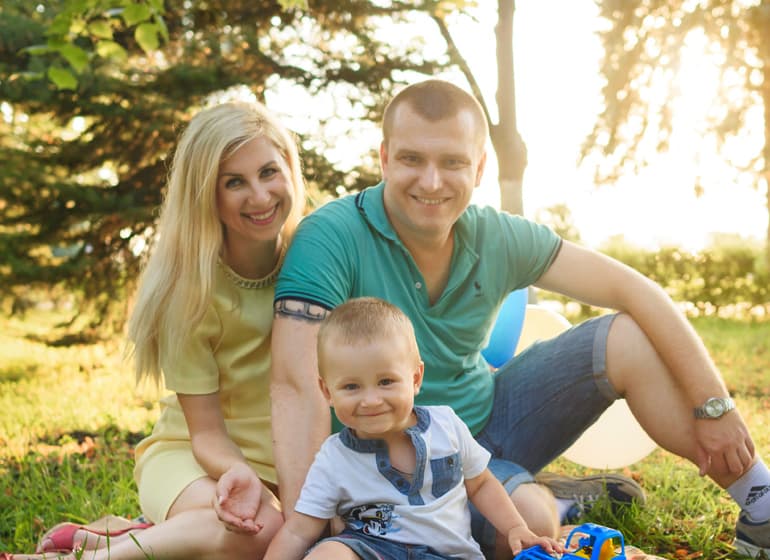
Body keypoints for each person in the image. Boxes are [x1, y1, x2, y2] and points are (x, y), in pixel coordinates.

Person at [270, 78, 769, 559]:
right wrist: (311, 532)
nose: (431, 181)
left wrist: (715, 407)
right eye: (411, 159)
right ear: (384, 158)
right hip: (383, 461)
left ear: (480, 168)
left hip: (492, 426)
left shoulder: (499, 237)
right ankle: (558, 499)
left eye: (452, 162)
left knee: (628, 336)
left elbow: (636, 290)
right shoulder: (330, 237)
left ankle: (761, 503)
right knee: (530, 522)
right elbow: (296, 386)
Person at [6, 99, 306, 560]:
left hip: (281, 467)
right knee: (263, 531)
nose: (260, 196)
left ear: (288, 168)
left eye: (269, 172)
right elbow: (205, 434)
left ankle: (130, 534)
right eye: (234, 182)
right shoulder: (191, 292)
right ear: (206, 194)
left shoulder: (313, 260)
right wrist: (239, 472)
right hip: (196, 459)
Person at [265, 297, 564, 560]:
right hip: (371, 549)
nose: (371, 400)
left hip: (448, 554)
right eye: (351, 386)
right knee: (329, 554)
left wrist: (515, 527)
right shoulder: (334, 457)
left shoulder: (445, 426)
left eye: (386, 382)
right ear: (327, 392)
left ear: (416, 378)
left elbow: (482, 484)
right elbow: (299, 531)